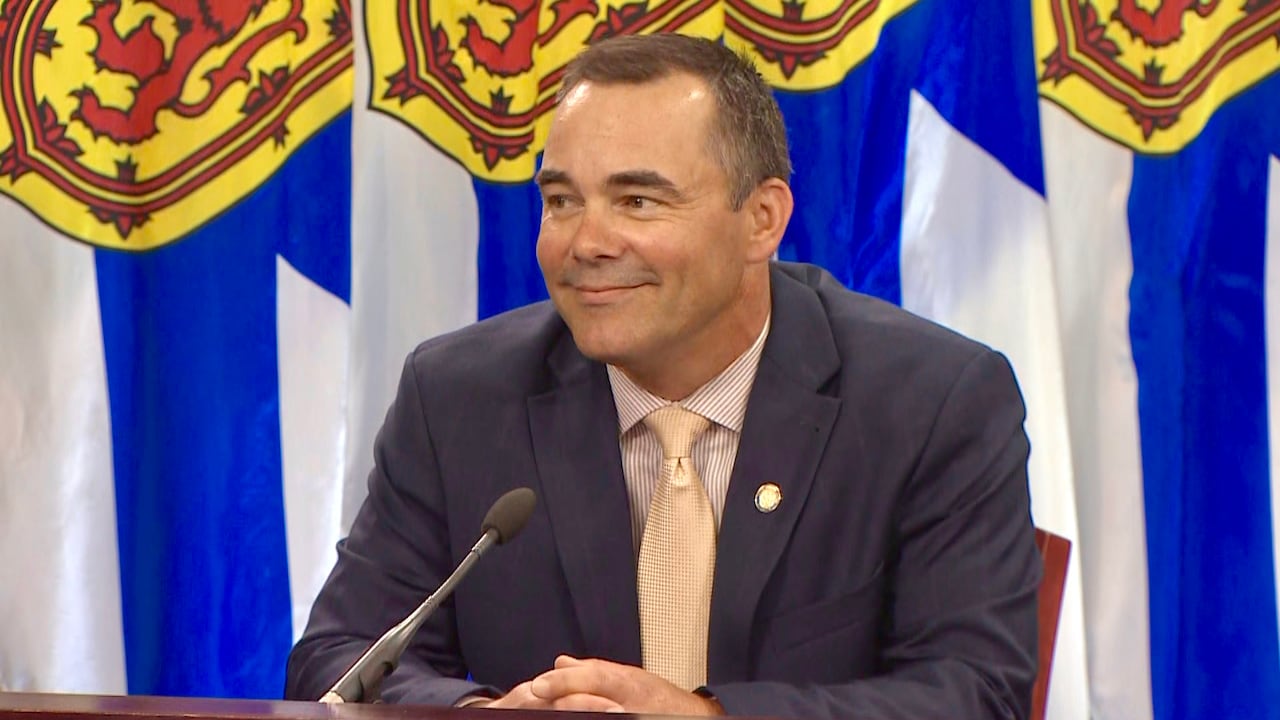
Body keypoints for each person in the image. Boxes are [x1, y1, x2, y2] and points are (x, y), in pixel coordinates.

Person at [285, 33, 1040, 719]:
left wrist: (709, 719)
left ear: (762, 220)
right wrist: (485, 715)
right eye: (560, 201)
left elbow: (974, 692)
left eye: (637, 200)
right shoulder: (456, 397)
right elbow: (339, 657)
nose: (587, 241)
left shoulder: (934, 401)